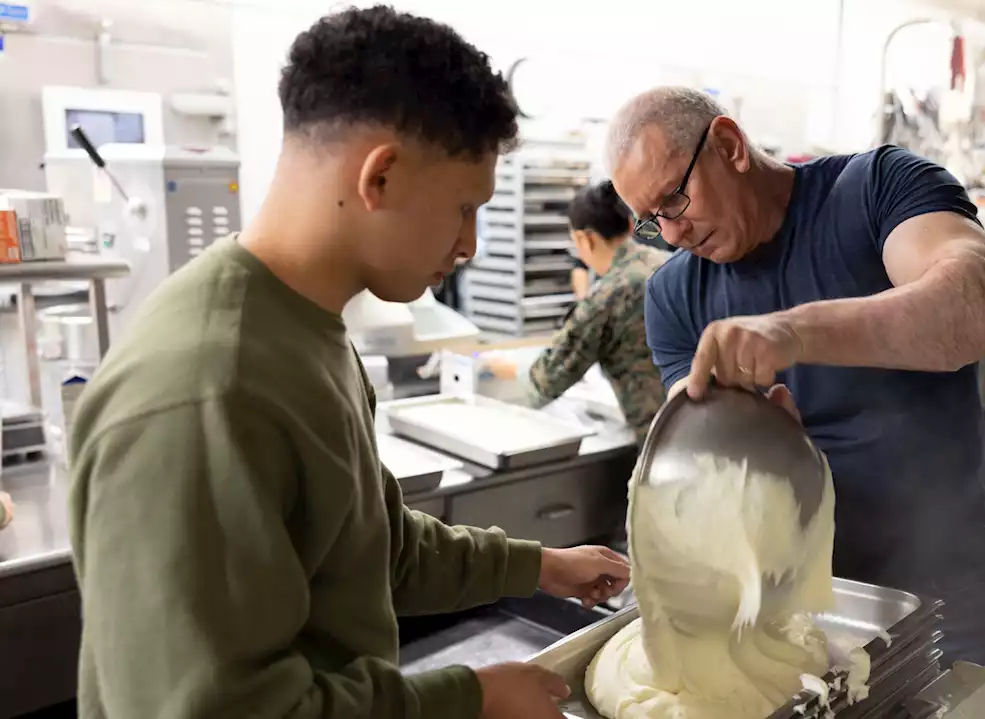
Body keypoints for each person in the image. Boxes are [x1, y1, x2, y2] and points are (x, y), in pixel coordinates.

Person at [68, 8, 629, 718]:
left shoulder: (308, 330)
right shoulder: (208, 388)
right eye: (463, 207)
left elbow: (375, 546)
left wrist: (541, 566)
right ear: (382, 176)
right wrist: (470, 698)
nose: (471, 244)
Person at [608, 87, 985, 668]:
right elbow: (704, 451)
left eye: (674, 200)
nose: (672, 234)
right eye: (650, 222)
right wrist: (761, 444)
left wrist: (797, 332)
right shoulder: (675, 295)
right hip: (790, 617)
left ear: (728, 146)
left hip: (945, 591)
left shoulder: (874, 191)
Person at [485, 181, 669, 435]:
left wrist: (506, 370)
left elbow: (545, 383)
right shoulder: (670, 265)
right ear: (629, 225)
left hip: (659, 440)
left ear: (585, 239)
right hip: (707, 425)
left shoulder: (605, 299)